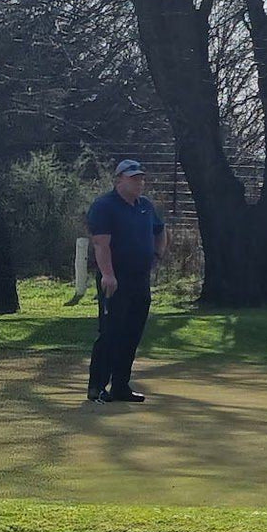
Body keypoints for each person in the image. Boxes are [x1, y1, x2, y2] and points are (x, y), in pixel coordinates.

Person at [85, 159, 165, 403]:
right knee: (111, 333)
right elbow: (101, 244)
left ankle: (121, 385)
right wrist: (108, 274)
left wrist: (157, 255)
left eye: (141, 178)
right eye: (133, 178)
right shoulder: (105, 206)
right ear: (119, 179)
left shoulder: (146, 206)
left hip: (140, 280)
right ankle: (97, 386)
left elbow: (160, 231)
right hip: (115, 279)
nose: (139, 182)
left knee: (132, 333)